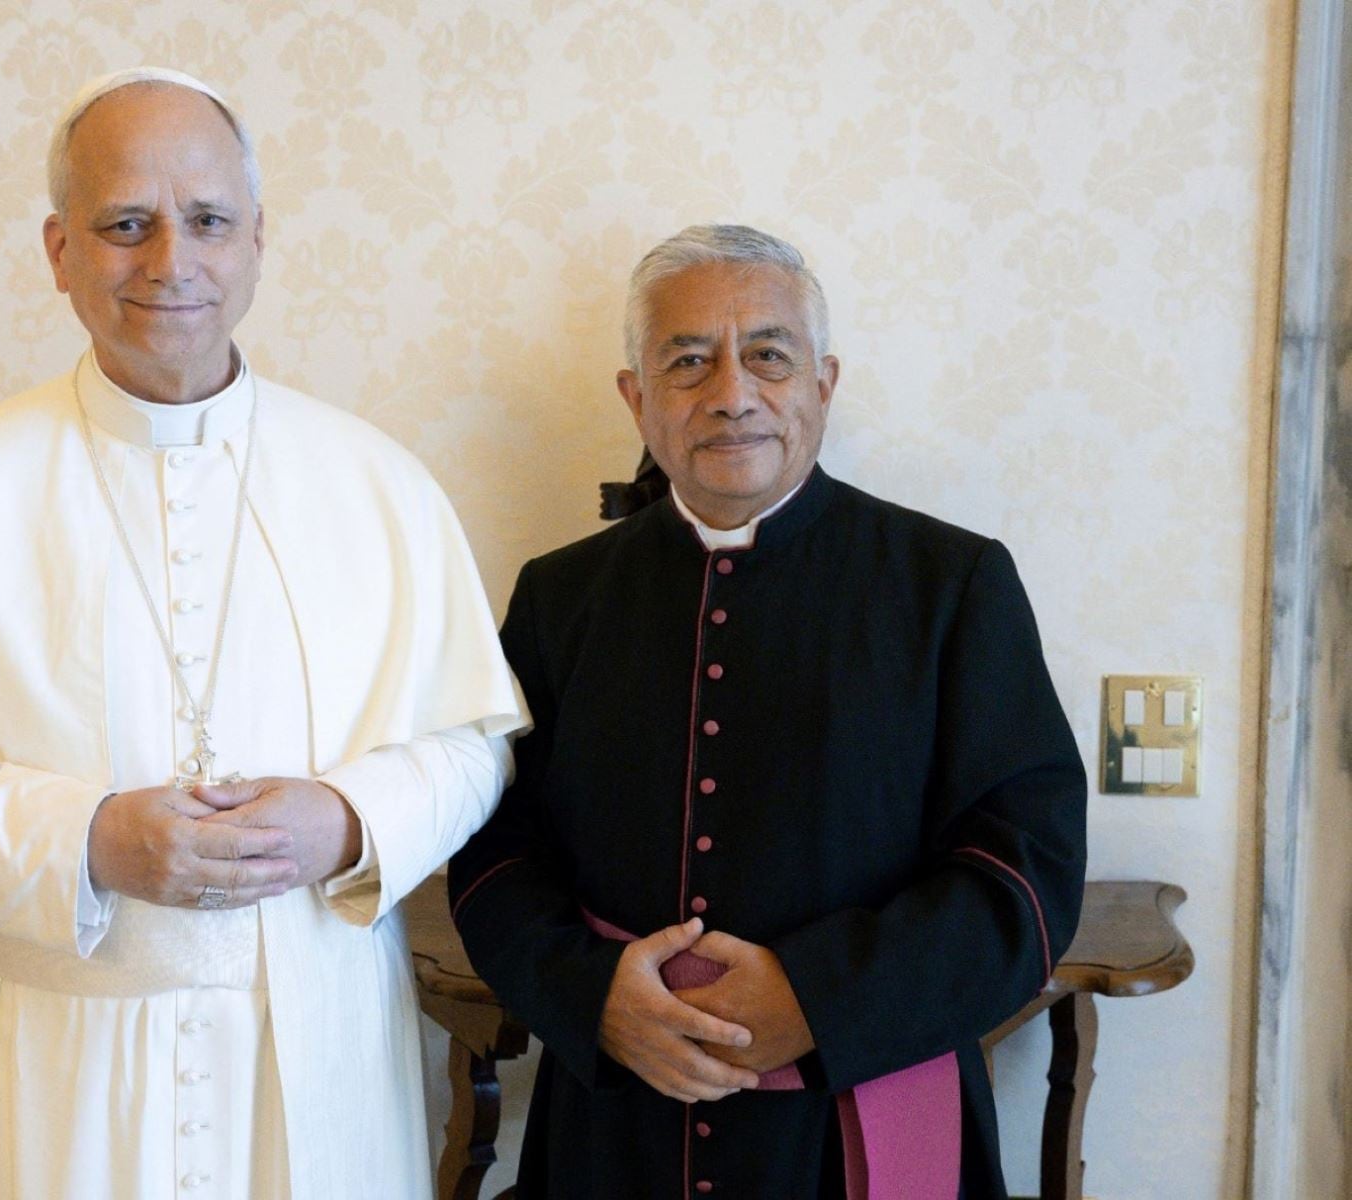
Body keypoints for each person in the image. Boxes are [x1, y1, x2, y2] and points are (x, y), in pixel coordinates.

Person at [0, 66, 525, 1199]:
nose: (171, 262)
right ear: (59, 251)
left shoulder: (377, 484)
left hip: (321, 1054)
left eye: (207, 221)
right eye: (125, 226)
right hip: (60, 1068)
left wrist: (347, 819)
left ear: (259, 240)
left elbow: (470, 743)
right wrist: (88, 839)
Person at [447, 224, 1087, 1199]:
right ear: (637, 397)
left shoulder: (951, 584)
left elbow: (1025, 873)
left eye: (769, 356)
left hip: (856, 1125)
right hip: (619, 1131)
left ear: (823, 384)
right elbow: (492, 847)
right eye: (688, 360)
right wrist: (595, 999)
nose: (732, 393)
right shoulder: (559, 597)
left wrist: (820, 1002)